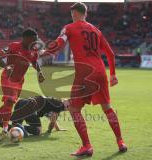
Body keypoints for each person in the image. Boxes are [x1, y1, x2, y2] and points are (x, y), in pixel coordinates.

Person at [43, 2, 127, 157]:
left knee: (74, 109)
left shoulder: (69, 27)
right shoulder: (97, 31)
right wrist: (113, 74)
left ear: (74, 13)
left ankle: (87, 146)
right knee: (107, 108)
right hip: (101, 72)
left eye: (72, 14)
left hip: (84, 73)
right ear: (85, 13)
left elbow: (59, 43)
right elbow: (111, 54)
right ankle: (121, 141)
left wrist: (44, 52)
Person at [0, 28, 45, 140]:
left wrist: (39, 72)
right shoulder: (13, 46)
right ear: (25, 38)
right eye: (33, 40)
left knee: (8, 105)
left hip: (19, 81)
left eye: (36, 40)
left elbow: (35, 62)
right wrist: (6, 66)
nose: (35, 43)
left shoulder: (33, 51)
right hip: (8, 77)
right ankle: (4, 130)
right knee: (10, 101)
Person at [0, 96, 68, 136]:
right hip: (30, 106)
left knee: (13, 128)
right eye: (69, 102)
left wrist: (57, 128)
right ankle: (20, 127)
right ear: (63, 100)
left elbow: (52, 118)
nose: (69, 105)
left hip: (22, 102)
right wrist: (49, 131)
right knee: (38, 131)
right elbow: (53, 120)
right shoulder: (59, 105)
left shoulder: (56, 103)